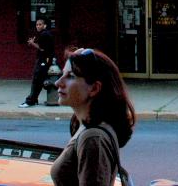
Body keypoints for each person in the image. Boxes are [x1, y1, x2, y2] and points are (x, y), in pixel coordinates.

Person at [52, 48, 136, 186]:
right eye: (63, 74)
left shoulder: (92, 138)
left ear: (94, 88)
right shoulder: (85, 127)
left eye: (71, 76)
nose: (58, 83)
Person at [19, 16, 56, 108]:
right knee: (38, 81)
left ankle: (30, 101)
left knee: (36, 80)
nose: (38, 26)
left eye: (40, 24)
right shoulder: (44, 34)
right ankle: (33, 99)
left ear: (45, 25)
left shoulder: (45, 34)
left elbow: (42, 48)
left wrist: (32, 43)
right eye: (37, 25)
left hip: (44, 60)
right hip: (45, 59)